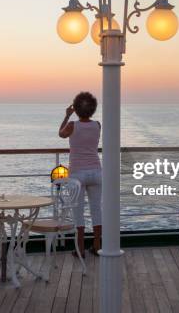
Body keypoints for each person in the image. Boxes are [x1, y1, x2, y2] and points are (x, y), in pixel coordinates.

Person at [59, 91, 102, 257]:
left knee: (78, 211)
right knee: (96, 209)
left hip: (77, 173)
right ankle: (97, 245)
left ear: (75, 109)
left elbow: (61, 134)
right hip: (96, 172)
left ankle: (80, 249)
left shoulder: (72, 126)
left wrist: (66, 116)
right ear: (93, 109)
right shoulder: (97, 125)